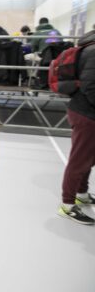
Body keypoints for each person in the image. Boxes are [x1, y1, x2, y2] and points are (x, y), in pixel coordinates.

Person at [58, 29, 95, 225]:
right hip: (86, 113)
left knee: (87, 158)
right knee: (79, 160)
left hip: (84, 111)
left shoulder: (88, 46)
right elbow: (91, 86)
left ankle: (81, 193)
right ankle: (67, 205)